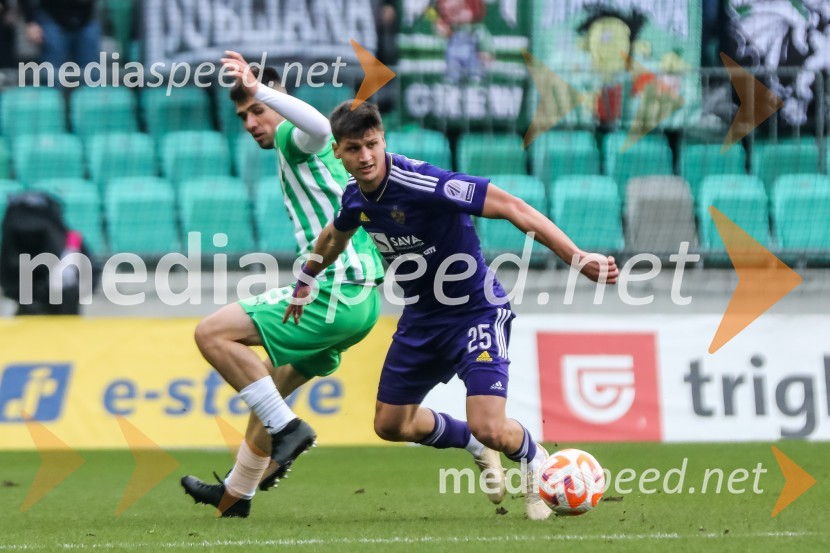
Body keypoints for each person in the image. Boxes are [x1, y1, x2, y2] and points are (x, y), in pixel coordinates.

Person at [180, 52, 505, 518]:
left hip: (338, 289)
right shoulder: (325, 162)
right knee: (266, 387)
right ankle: (237, 494)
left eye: (257, 110)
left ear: (279, 102)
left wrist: (260, 87)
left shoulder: (294, 138)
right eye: (243, 115)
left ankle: (288, 430)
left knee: (212, 334)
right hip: (356, 301)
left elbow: (317, 126)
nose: (251, 122)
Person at [284, 102, 619, 520]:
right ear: (337, 151)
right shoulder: (355, 197)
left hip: (475, 311)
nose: (366, 156)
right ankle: (472, 444)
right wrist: (307, 276)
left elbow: (512, 206)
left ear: (383, 139)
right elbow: (335, 234)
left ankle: (534, 459)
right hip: (422, 320)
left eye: (372, 144)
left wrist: (576, 256)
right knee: (390, 425)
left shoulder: (424, 182)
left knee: (491, 426)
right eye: (354, 148)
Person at [20, 0, 101, 82]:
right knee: (52, 76)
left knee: (91, 75)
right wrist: (30, 22)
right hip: (51, 16)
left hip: (85, 18)